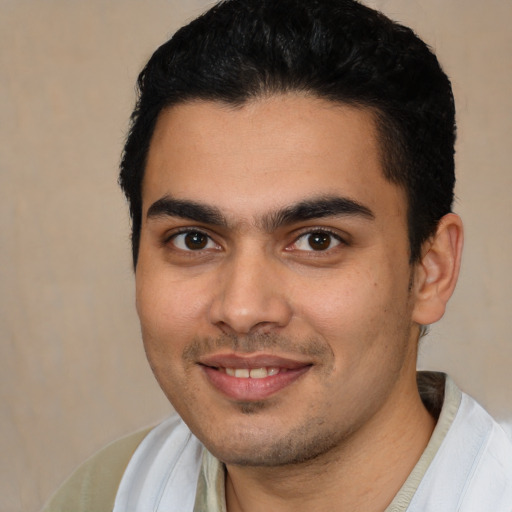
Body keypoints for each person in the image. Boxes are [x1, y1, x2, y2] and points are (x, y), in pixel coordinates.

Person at [43, 0, 512, 510]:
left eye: (317, 240)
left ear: (431, 270)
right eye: (194, 240)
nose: (242, 309)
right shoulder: (105, 495)